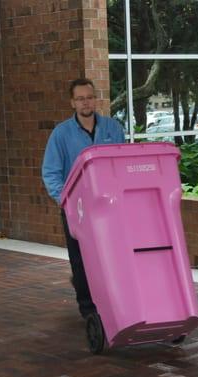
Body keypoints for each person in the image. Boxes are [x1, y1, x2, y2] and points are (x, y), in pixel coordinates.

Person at [42, 78, 125, 318]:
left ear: (95, 99)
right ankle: (88, 310)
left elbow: (120, 165)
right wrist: (64, 200)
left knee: (111, 256)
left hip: (109, 208)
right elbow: (50, 172)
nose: (85, 102)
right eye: (80, 98)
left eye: (89, 97)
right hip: (76, 209)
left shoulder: (113, 128)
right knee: (80, 261)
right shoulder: (61, 134)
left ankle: (113, 302)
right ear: (72, 102)